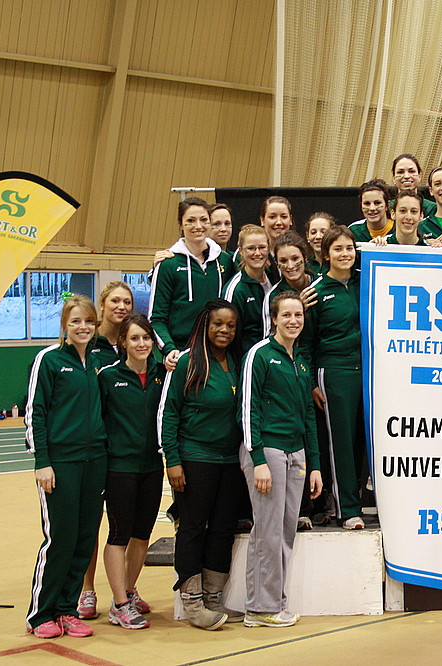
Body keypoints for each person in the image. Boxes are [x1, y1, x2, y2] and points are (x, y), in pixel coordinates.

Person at [24, 295, 107, 639]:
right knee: (60, 538)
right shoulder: (49, 359)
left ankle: (67, 610)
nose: (82, 327)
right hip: (60, 463)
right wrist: (42, 461)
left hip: (96, 462)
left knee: (85, 539)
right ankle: (41, 613)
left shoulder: (101, 359)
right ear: (64, 325)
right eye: (75, 322)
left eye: (88, 321)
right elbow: (35, 412)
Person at [239, 291, 323, 627]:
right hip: (268, 453)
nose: (293, 321)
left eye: (298, 315)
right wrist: (257, 458)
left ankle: (274, 602)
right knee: (268, 532)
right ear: (274, 318)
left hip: (296, 454)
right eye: (286, 315)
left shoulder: (301, 361)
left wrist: (315, 464)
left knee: (285, 532)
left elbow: (307, 415)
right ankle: (259, 608)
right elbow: (248, 409)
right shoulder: (259, 355)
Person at [159, 300, 244, 630]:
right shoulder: (187, 363)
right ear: (205, 326)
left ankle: (213, 598)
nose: (224, 330)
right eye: (218, 324)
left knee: (223, 529)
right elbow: (170, 414)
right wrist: (173, 461)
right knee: (193, 528)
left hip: (230, 462)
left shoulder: (235, 363)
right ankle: (192, 603)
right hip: (195, 460)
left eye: (231, 326)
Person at [98, 313, 165, 629]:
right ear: (123, 341)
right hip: (120, 469)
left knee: (142, 535)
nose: (142, 343)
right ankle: (119, 605)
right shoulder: (108, 377)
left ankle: (128, 590)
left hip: (152, 467)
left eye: (146, 338)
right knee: (119, 535)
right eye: (135, 338)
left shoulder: (161, 375)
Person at [299, 226, 365, 529]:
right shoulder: (316, 292)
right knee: (340, 444)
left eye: (349, 248)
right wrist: (312, 380)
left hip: (365, 371)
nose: (345, 254)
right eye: (338, 249)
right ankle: (347, 509)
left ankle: (360, 501)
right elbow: (306, 343)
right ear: (326, 254)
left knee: (362, 443)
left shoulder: (366, 282)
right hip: (333, 371)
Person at [78, 280, 134, 619]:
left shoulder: (137, 343)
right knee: (91, 522)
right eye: (115, 300)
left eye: (127, 301)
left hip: (125, 452)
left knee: (122, 524)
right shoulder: (89, 343)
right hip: (94, 450)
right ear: (102, 305)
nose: (121, 307)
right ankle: (86, 590)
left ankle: (125, 588)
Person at [149, 197, 231, 369]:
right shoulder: (168, 264)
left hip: (217, 353)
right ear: (181, 224)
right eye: (190, 221)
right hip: (180, 354)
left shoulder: (224, 261)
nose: (198, 226)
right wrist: (169, 349)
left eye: (203, 220)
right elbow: (156, 318)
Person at [224, 225, 274, 354]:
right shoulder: (236, 289)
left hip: (272, 356)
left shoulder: (274, 277)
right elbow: (227, 334)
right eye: (251, 248)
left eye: (262, 247)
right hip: (246, 358)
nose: (257, 253)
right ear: (240, 251)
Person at [262, 232, 313, 337]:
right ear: (277, 264)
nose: (290, 266)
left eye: (295, 259)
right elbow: (270, 338)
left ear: (305, 258)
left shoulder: (319, 284)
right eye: (283, 261)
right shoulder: (274, 295)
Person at [391, 153, 437, 218]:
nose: (406, 176)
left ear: (419, 176)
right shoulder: (386, 208)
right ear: (394, 178)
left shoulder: (432, 209)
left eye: (411, 171)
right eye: (400, 172)